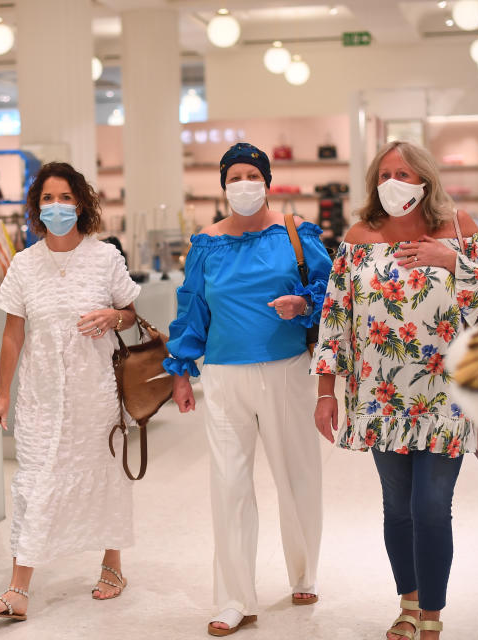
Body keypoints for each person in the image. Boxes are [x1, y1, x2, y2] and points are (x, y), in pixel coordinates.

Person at [311, 140, 478, 640]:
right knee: (397, 507)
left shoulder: (460, 230)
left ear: (425, 180)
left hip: (448, 396)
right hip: (380, 398)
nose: (394, 181)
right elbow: (335, 318)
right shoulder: (358, 237)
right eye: (385, 172)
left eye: (405, 171)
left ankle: (432, 617)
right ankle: (409, 604)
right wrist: (326, 392)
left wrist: (450, 261)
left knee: (431, 507)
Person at [165, 142, 333, 636]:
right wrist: (181, 370)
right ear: (223, 185)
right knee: (229, 485)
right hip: (224, 376)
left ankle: (304, 572)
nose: (243, 184)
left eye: (251, 175)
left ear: (266, 180)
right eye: (234, 176)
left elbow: (332, 294)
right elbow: (192, 307)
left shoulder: (296, 234)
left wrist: (303, 305)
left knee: (297, 475)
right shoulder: (206, 245)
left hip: (285, 370)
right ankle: (234, 597)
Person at [0, 161, 141, 621]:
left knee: (105, 472)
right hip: (41, 393)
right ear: (36, 207)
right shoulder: (25, 264)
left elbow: (130, 313)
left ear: (81, 203)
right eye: (47, 198)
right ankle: (18, 590)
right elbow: (13, 333)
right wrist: (2, 393)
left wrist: (113, 317)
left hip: (96, 391)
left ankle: (113, 566)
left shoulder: (105, 256)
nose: (56, 206)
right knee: (36, 479)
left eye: (65, 197)